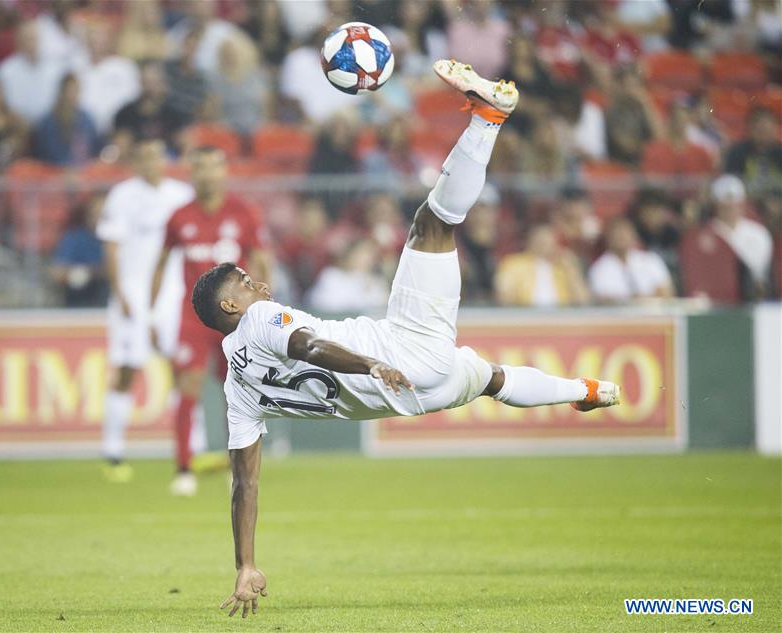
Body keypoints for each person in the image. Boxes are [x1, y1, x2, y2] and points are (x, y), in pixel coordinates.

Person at [187, 61, 620, 616]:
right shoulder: (259, 319)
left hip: (418, 396)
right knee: (430, 224)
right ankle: (489, 117)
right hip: (402, 352)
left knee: (491, 379)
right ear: (230, 306)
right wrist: (369, 364)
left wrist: (245, 564)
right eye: (245, 283)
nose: (257, 282)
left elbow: (243, 483)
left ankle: (585, 391)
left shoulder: (237, 388)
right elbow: (311, 348)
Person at [150, 147, 272, 497]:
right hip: (192, 318)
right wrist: (150, 312)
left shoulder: (243, 212)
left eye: (213, 167)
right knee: (188, 387)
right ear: (192, 173)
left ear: (223, 172)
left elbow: (262, 260)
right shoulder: (179, 217)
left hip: (235, 321)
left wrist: (266, 306)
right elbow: (160, 264)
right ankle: (184, 467)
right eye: (200, 167)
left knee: (236, 391)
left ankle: (237, 464)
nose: (207, 174)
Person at [96, 138, 195, 483]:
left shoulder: (181, 195)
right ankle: (113, 450)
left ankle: (191, 448)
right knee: (127, 368)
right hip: (133, 292)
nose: (150, 163)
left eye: (156, 156)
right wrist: (119, 291)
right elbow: (111, 245)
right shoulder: (122, 196)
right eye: (144, 157)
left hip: (173, 293)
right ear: (136, 162)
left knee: (182, 366)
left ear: (164, 160)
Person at [588, 217, 674, 304]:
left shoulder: (651, 260)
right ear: (608, 237)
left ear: (634, 235)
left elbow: (666, 293)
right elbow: (603, 300)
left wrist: (635, 300)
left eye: (625, 232)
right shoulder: (599, 268)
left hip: (655, 314)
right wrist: (638, 299)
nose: (621, 237)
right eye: (616, 233)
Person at [50, 195, 108, 308]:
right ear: (87, 216)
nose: (99, 219)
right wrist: (82, 273)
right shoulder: (74, 238)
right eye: (95, 215)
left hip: (110, 301)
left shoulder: (120, 241)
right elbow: (57, 273)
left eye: (104, 215)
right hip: (79, 302)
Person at [32, 74, 100, 167]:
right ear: (62, 92)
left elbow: (94, 149)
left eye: (76, 91)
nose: (72, 95)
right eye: (69, 91)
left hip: (83, 172)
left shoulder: (87, 119)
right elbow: (45, 153)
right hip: (53, 172)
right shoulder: (48, 122)